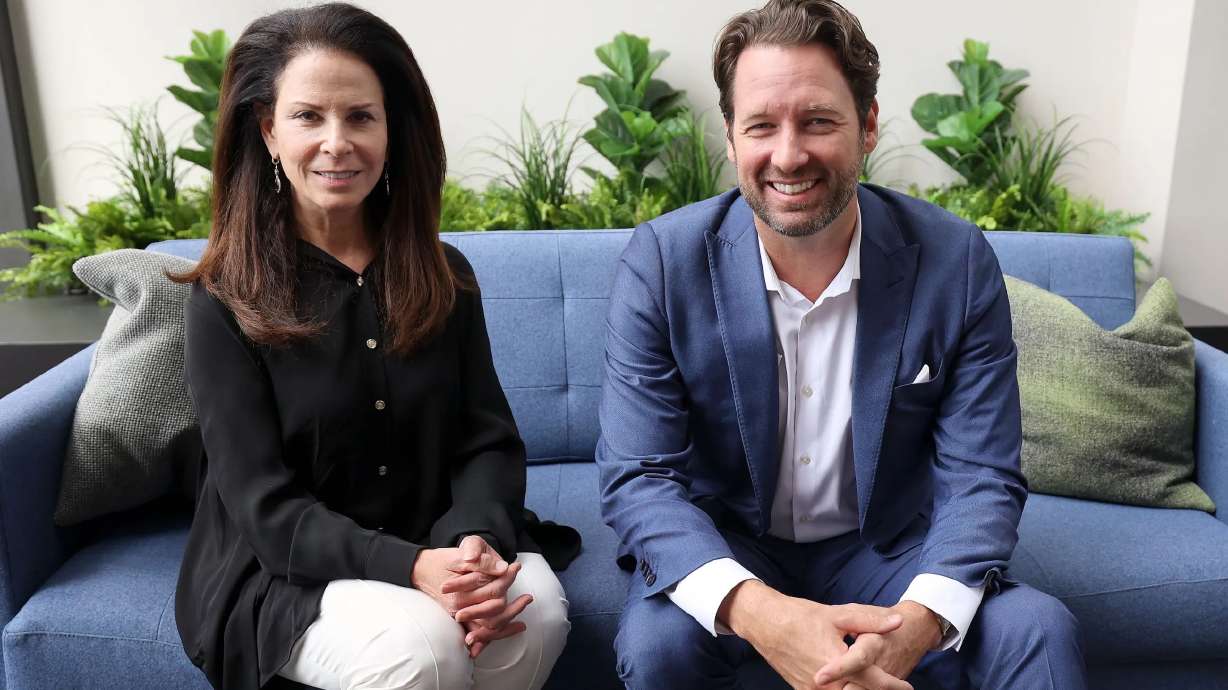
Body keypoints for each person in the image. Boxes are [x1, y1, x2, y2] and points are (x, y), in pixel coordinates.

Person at [595, 1, 1086, 688]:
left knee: (1037, 631)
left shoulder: (956, 260)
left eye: (818, 121)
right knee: (658, 648)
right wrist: (765, 616)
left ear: (868, 126)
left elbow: (982, 475)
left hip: (889, 553)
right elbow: (640, 477)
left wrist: (914, 626)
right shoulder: (661, 263)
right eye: (761, 125)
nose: (788, 154)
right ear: (731, 138)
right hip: (730, 546)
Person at [170, 5, 574, 690]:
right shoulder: (223, 298)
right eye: (308, 117)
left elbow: (485, 440)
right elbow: (263, 505)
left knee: (535, 617)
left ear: (390, 132)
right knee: (424, 650)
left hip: (436, 537)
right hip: (287, 570)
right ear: (268, 131)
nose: (337, 142)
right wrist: (413, 569)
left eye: (361, 117)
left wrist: (472, 543)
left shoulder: (444, 273)